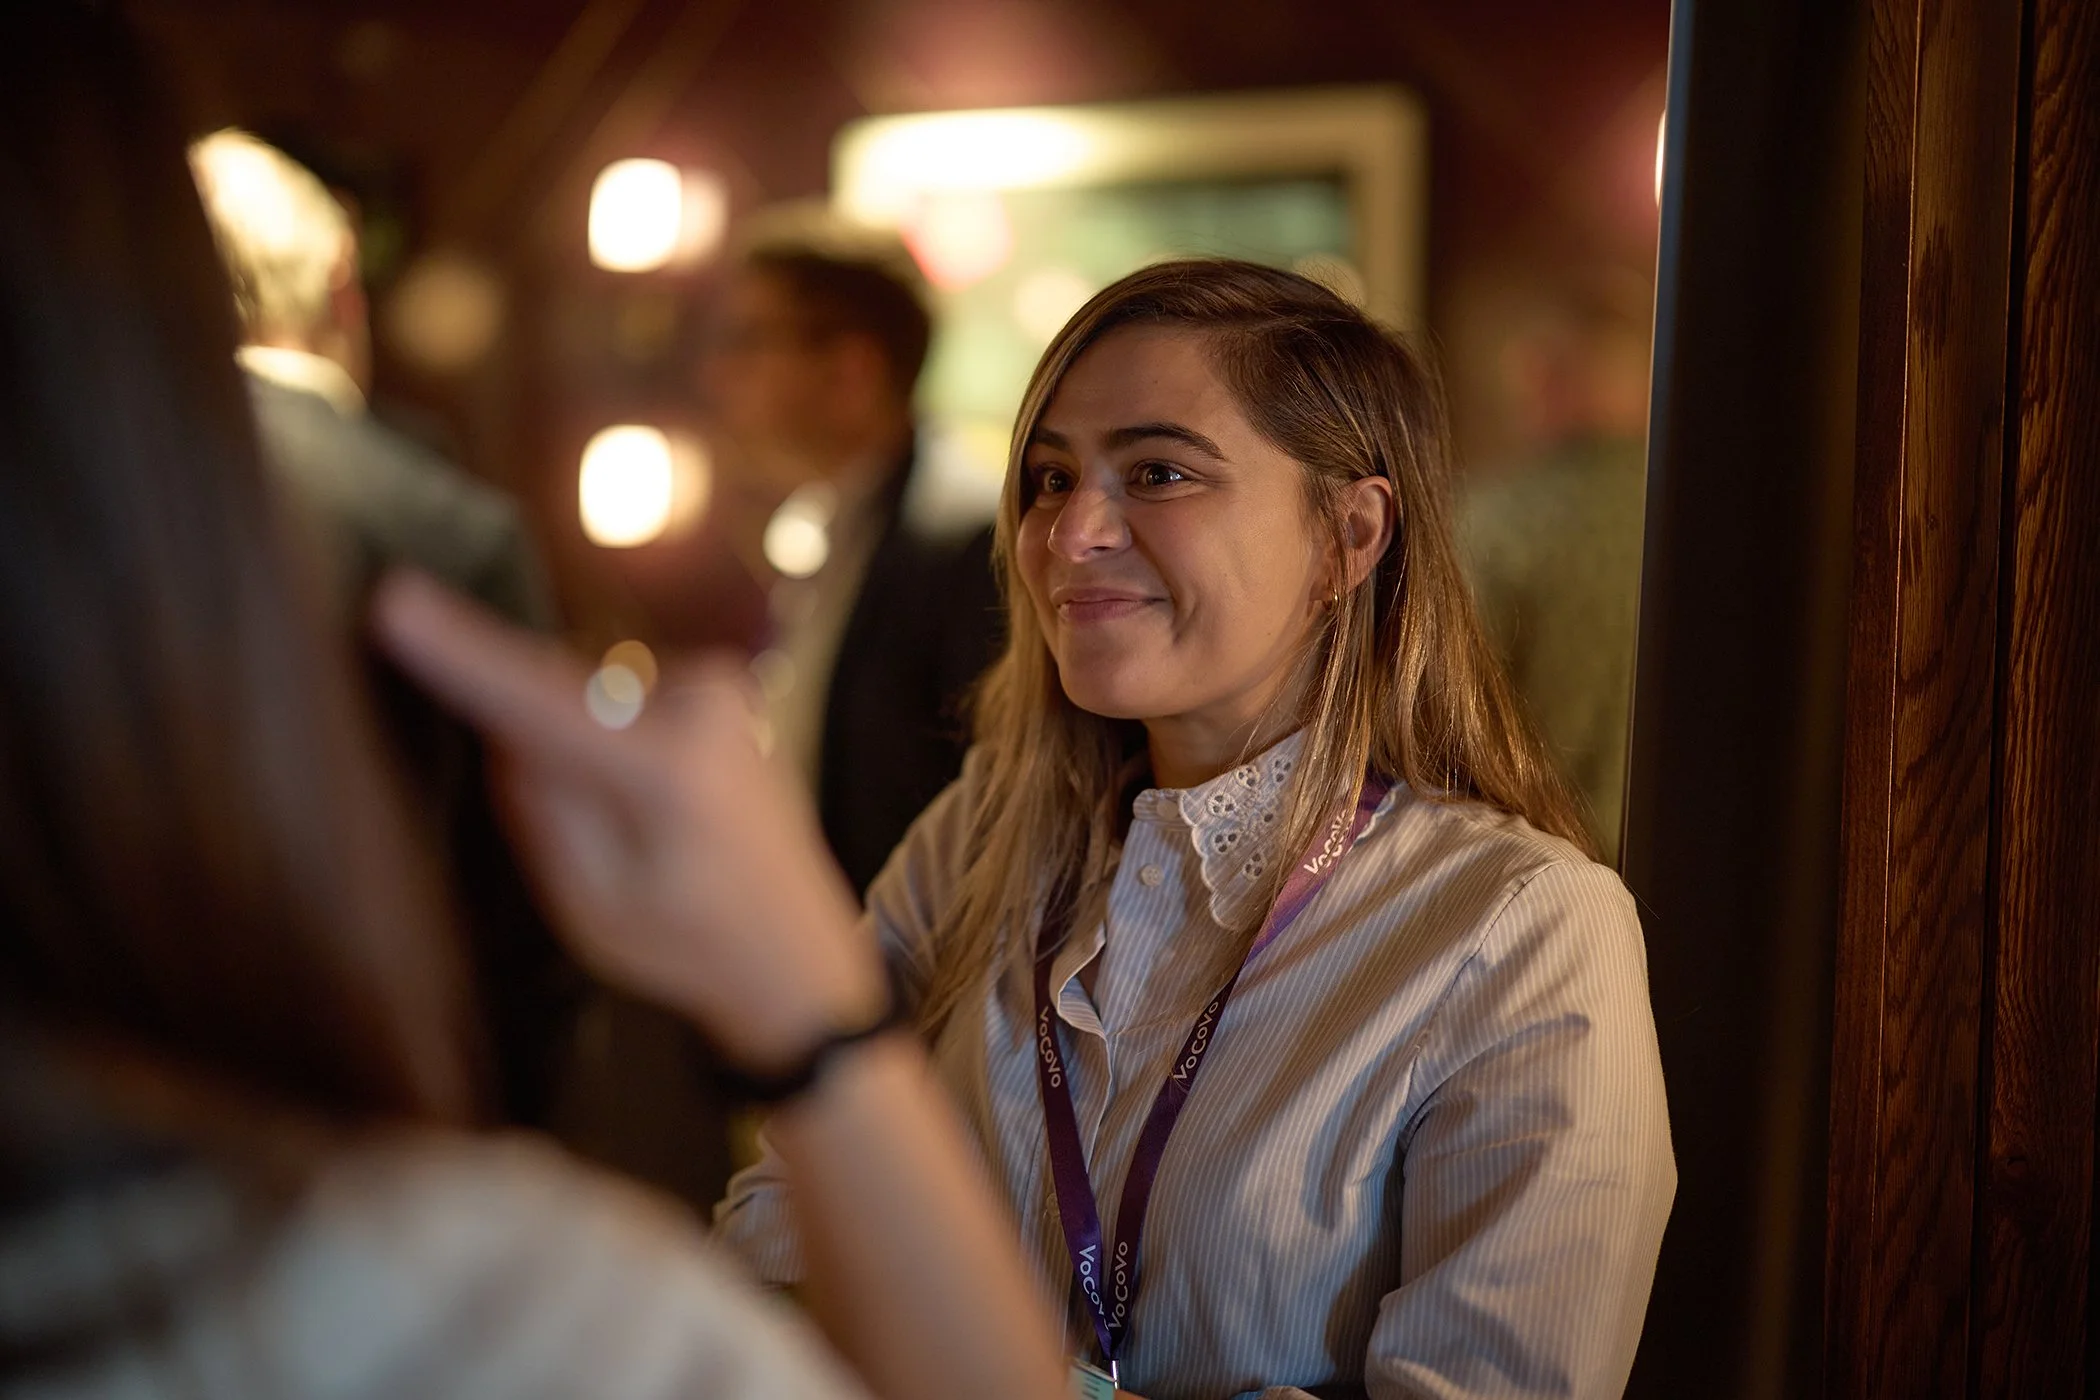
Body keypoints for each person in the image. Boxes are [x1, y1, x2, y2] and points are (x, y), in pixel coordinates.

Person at [0, 8, 1068, 1400]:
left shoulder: (945, 537)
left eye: (747, 344)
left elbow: (973, 799)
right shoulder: (487, 1317)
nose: (719, 379)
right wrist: (813, 1035)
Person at [717, 260, 1677, 1399]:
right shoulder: (985, 828)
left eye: (1159, 472)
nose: (1071, 532)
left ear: (1349, 536)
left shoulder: (1522, 930)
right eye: (1049, 477)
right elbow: (786, 1207)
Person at [189, 128, 577, 1125]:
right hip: (387, 1117)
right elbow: (533, 904)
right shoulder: (447, 526)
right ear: (341, 287)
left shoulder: (57, 514)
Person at [699, 223, 1005, 897]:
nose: (716, 376)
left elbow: (993, 821)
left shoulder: (966, 540)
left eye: (747, 341)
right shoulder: (829, 525)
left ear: (850, 371)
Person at [1458, 285, 1653, 861]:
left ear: (1550, 378)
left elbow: (1443, 719)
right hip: (1694, 886)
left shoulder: (1497, 523)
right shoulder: (1718, 523)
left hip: (1537, 878)